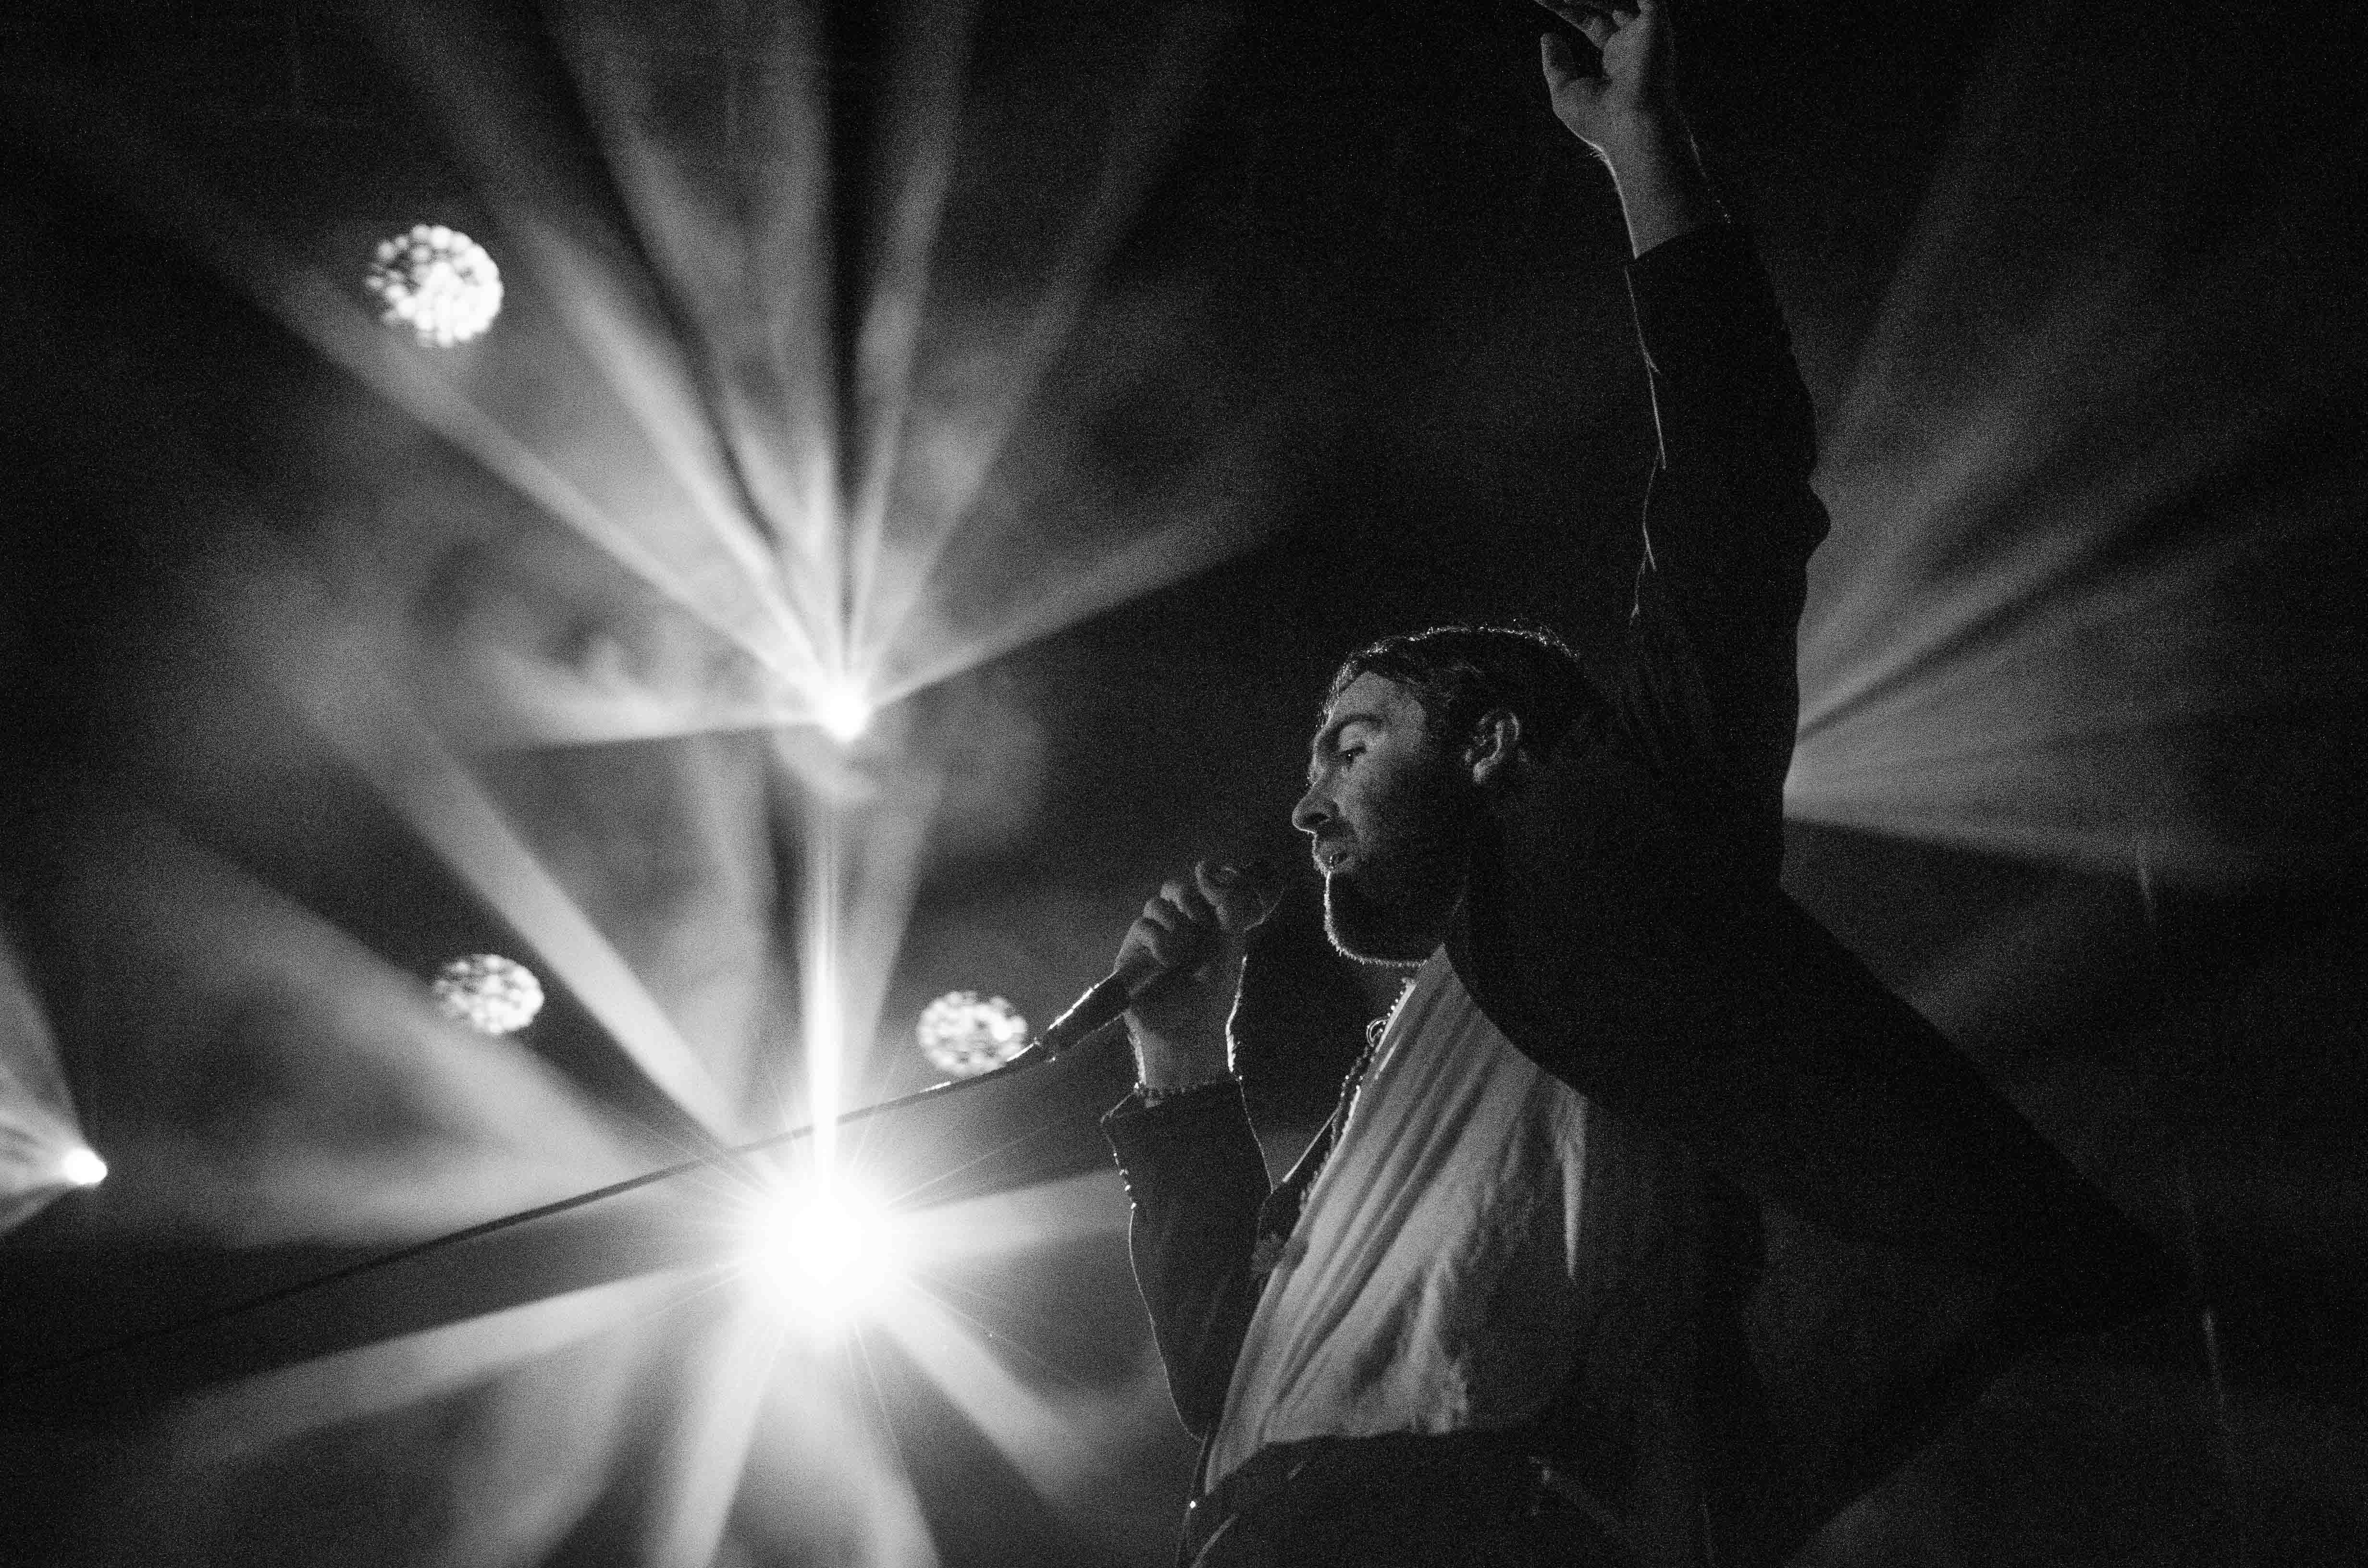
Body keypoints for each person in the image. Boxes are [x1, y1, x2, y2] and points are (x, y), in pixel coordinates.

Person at [1098, 3, 2179, 1565]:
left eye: (1353, 741)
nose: (1306, 803)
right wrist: (1182, 1070)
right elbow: (1228, 1375)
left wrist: (1645, 154)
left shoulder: (1615, 874)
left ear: (1492, 747)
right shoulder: (1398, 1067)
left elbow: (1734, 509)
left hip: (1478, 1527)